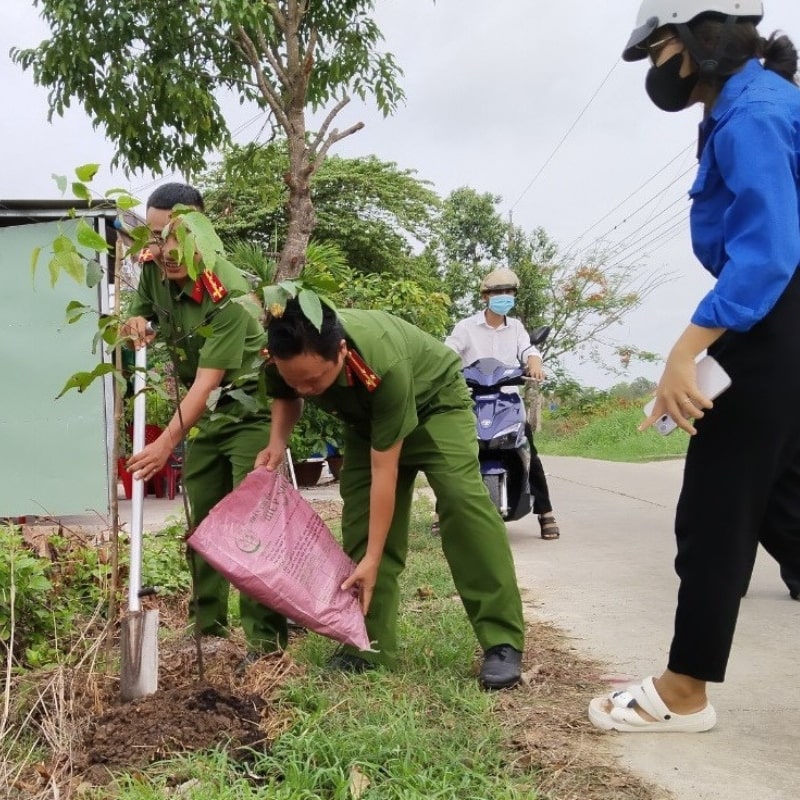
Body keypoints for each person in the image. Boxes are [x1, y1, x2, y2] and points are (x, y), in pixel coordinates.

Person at [589, 0, 800, 733]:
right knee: (782, 504)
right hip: (778, 318)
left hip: (776, 316)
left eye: (656, 52)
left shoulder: (755, 117)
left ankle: (683, 693)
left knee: (715, 511)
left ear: (695, 41)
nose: (654, 69)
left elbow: (768, 255)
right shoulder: (742, 107)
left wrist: (688, 349)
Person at [255, 299, 526, 690]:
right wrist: (278, 442)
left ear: (342, 352)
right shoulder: (285, 346)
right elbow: (285, 394)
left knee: (462, 504)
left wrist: (374, 558)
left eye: (315, 381)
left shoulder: (383, 360)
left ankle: (502, 641)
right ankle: (368, 644)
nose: (307, 389)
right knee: (361, 523)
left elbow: (387, 471)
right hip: (365, 422)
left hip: (435, 406)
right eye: (297, 380)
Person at [123, 183, 287, 659]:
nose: (165, 250)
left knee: (252, 523)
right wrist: (137, 323)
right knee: (204, 522)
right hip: (206, 419)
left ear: (203, 232)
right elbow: (142, 314)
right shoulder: (154, 270)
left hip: (250, 409)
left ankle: (265, 642)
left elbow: (205, 384)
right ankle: (207, 628)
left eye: (177, 236)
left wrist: (163, 444)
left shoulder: (229, 294)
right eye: (155, 237)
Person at [445, 268, 560, 540]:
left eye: (509, 292)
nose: (504, 297)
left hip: (507, 399)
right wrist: (443, 368)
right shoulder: (466, 328)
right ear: (485, 296)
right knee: (456, 455)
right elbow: (448, 350)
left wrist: (534, 362)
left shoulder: (517, 327)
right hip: (471, 399)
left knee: (528, 451)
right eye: (498, 292)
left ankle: (545, 514)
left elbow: (529, 350)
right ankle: (443, 512)